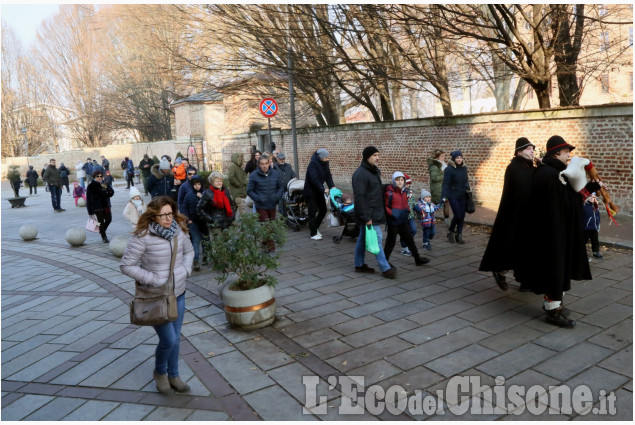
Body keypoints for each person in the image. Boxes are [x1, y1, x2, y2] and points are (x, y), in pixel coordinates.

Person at [514, 135, 601, 328]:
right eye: (566, 151)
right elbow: (559, 203)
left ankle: (556, 304)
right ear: (556, 153)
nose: (569, 154)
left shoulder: (557, 172)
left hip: (560, 231)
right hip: (551, 234)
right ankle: (552, 311)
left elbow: (569, 197)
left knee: (560, 270)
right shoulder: (548, 174)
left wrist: (591, 188)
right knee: (554, 270)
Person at [120, 196, 194, 394]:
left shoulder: (178, 230)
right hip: (156, 296)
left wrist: (185, 271)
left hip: (178, 293)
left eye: (170, 213)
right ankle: (160, 372)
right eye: (163, 215)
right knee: (169, 339)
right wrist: (152, 279)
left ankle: (174, 375)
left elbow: (189, 252)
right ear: (153, 216)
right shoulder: (142, 236)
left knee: (176, 338)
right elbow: (126, 265)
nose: (168, 218)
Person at [479, 138, 537, 291]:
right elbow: (522, 190)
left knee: (527, 249)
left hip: (528, 216)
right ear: (519, 152)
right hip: (514, 216)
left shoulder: (531, 167)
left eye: (533, 149)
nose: (532, 151)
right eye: (529, 148)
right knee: (509, 248)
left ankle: (525, 281)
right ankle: (500, 271)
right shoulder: (514, 167)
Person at [352, 146, 396, 279]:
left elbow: (374, 190)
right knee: (377, 239)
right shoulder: (360, 174)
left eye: (378, 155)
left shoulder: (372, 171)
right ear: (367, 156)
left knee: (361, 239)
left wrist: (389, 187)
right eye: (375, 155)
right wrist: (366, 218)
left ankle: (359, 265)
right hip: (369, 214)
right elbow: (360, 197)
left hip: (373, 212)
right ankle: (385, 268)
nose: (378, 158)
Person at [383, 172, 430, 267]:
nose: (400, 182)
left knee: (410, 240)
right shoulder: (389, 193)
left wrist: (408, 210)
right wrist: (392, 214)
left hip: (404, 220)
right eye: (397, 180)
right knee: (390, 242)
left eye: (402, 180)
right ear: (393, 181)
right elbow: (386, 207)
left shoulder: (404, 191)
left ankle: (417, 258)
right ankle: (384, 262)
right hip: (393, 221)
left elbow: (408, 203)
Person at [247, 156, 283, 252]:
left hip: (272, 204)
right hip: (261, 205)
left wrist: (276, 196)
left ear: (269, 164)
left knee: (270, 224)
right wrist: (258, 198)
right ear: (259, 165)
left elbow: (281, 187)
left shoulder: (275, 174)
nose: (264, 166)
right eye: (262, 164)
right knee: (267, 225)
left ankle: (264, 243)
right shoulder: (254, 175)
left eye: (266, 163)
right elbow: (249, 191)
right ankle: (271, 248)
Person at [304, 148, 335, 240]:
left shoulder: (325, 163)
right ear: (321, 158)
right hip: (311, 192)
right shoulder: (312, 165)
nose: (328, 159)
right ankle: (313, 233)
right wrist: (323, 189)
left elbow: (328, 176)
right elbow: (314, 179)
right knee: (312, 212)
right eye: (326, 157)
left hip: (319, 191)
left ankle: (315, 227)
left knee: (323, 210)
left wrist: (332, 186)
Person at [441, 150, 470, 244]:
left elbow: (466, 181)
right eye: (457, 158)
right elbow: (445, 183)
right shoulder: (449, 169)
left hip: (462, 195)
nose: (459, 159)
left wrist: (468, 189)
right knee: (457, 215)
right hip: (453, 195)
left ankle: (459, 234)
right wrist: (444, 196)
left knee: (462, 216)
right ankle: (450, 231)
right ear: (454, 159)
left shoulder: (464, 168)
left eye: (461, 157)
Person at [184, 176, 208, 270]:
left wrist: (202, 198)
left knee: (206, 240)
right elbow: (185, 208)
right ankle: (196, 260)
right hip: (193, 221)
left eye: (199, 184)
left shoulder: (205, 194)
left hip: (204, 221)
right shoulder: (189, 195)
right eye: (195, 184)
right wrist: (188, 219)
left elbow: (210, 206)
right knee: (196, 241)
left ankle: (206, 257)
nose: (197, 186)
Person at [86, 170, 114, 243]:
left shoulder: (104, 183)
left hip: (106, 205)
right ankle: (104, 237)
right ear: (94, 177)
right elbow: (88, 199)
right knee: (100, 222)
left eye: (101, 176)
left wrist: (107, 189)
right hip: (97, 207)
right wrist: (90, 211)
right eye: (97, 176)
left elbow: (111, 193)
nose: (99, 177)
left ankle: (102, 231)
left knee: (109, 219)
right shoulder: (91, 186)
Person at [398, 174, 417, 256]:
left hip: (411, 215)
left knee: (413, 230)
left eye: (409, 184)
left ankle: (408, 241)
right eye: (406, 184)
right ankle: (404, 248)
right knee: (404, 233)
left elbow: (413, 202)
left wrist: (418, 208)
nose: (408, 186)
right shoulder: (400, 193)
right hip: (403, 217)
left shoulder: (410, 192)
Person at [583, 193, 603, 260]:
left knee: (595, 240)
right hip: (586, 228)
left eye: (594, 197)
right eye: (591, 197)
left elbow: (597, 216)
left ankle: (596, 251)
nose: (593, 198)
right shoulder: (584, 206)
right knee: (583, 241)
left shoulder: (595, 206)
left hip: (594, 227)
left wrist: (598, 224)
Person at [227, 153, 248, 218]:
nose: (240, 159)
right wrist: (238, 184)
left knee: (235, 207)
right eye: (239, 158)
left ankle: (232, 220)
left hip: (240, 190)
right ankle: (246, 221)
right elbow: (230, 177)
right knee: (241, 206)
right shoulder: (233, 166)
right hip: (235, 190)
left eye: (241, 158)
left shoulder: (239, 167)